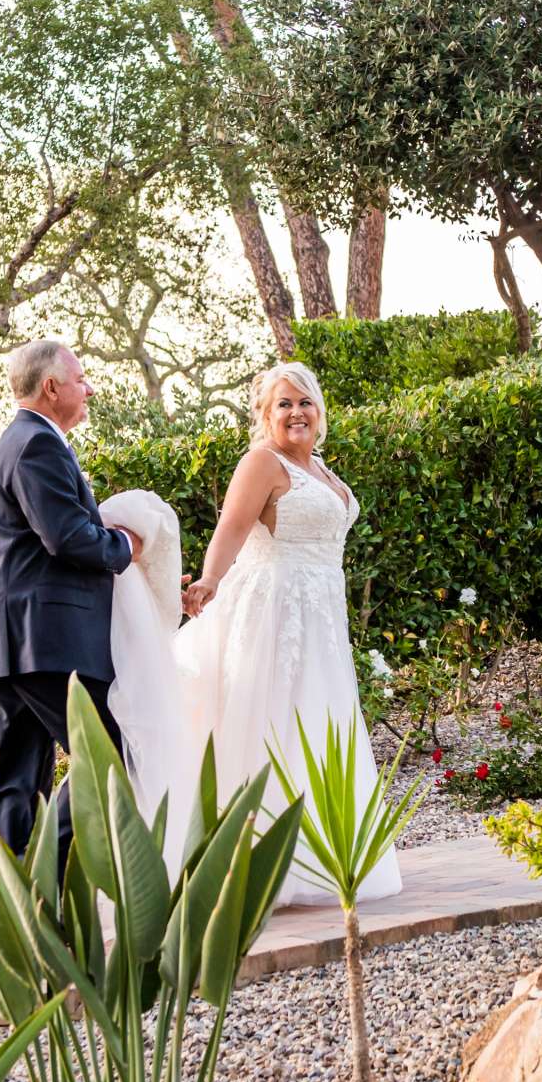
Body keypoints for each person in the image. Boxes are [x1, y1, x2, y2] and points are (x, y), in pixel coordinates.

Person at [170, 361, 403, 906]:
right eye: (283, 404)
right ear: (265, 414)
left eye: (304, 402)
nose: (296, 412)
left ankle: (320, 860)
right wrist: (208, 580)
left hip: (322, 615)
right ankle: (250, 863)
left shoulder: (322, 470)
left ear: (320, 411)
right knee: (272, 721)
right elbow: (230, 528)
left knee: (319, 723)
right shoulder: (262, 463)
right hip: (274, 610)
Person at [0, 339, 141, 855]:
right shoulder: (36, 444)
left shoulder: (17, 442)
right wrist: (127, 545)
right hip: (44, 641)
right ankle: (48, 877)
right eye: (81, 379)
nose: (88, 388)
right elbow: (67, 538)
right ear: (52, 387)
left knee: (21, 778)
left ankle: (13, 906)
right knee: (111, 756)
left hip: (6, 642)